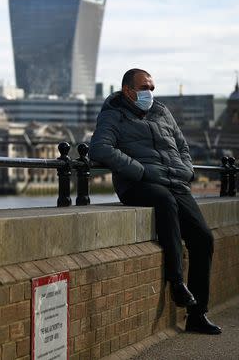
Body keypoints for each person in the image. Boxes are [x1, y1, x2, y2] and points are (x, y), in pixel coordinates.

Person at [89, 68, 220, 334]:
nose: (150, 93)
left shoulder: (162, 112)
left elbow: (182, 147)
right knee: (164, 201)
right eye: (144, 87)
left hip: (174, 182)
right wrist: (141, 171)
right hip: (138, 185)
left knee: (203, 238)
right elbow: (100, 149)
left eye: (152, 88)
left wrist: (187, 171)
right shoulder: (113, 114)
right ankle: (176, 281)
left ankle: (198, 314)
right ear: (128, 90)